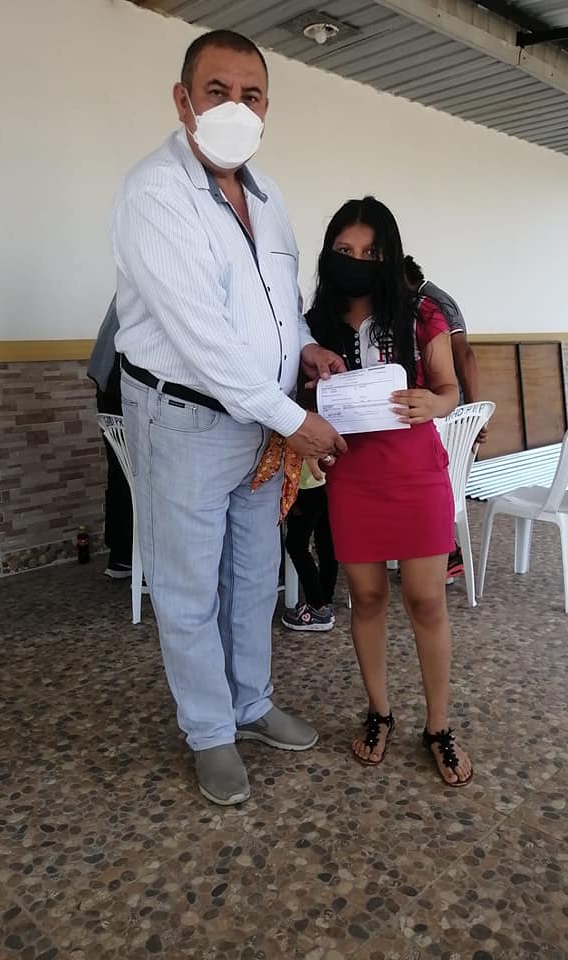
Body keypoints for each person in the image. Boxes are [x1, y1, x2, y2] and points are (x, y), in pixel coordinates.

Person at [112, 30, 347, 806]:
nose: (235, 108)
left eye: (251, 95)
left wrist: (305, 347)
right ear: (183, 101)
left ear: (267, 108)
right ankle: (209, 730)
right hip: (184, 420)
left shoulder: (268, 196)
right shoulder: (156, 194)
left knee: (251, 578)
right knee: (189, 590)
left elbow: (278, 307)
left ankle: (250, 703)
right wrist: (294, 418)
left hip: (258, 429)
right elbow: (205, 339)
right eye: (217, 92)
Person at [307, 197, 473, 787]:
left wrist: (434, 402)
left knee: (426, 600)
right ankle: (379, 712)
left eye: (370, 251)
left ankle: (438, 726)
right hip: (352, 476)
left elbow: (450, 390)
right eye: (345, 250)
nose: (357, 260)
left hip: (416, 472)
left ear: (389, 253)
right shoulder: (315, 323)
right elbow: (304, 399)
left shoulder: (421, 313)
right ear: (330, 254)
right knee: (367, 597)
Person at [403, 255, 486, 582]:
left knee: (437, 487)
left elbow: (464, 353)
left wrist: (475, 413)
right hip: (439, 410)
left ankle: (444, 555)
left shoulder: (432, 302)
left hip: (448, 412)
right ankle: (439, 553)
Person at [88, 298, 135, 580]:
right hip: (124, 387)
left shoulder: (128, 288)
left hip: (108, 384)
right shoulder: (157, 282)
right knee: (144, 478)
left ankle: (122, 556)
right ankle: (146, 563)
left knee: (122, 473)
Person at [281, 459, 338, 631]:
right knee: (325, 543)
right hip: (327, 481)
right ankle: (325, 600)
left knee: (295, 544)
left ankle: (317, 606)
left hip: (306, 484)